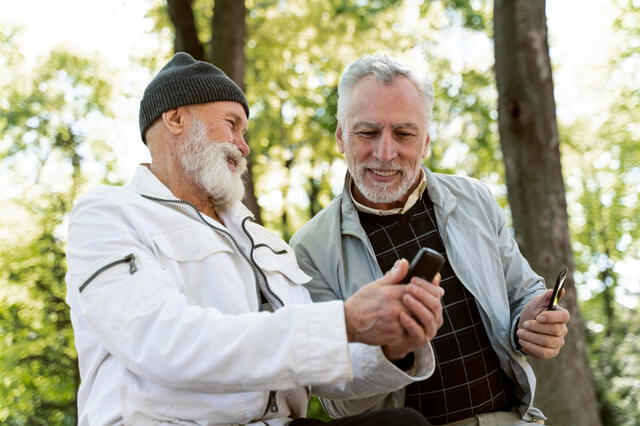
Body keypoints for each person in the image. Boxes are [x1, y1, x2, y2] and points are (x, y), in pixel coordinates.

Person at [64, 53, 445, 425]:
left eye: (243, 132)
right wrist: (344, 319)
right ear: (176, 118)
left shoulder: (264, 242)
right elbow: (160, 341)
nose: (243, 146)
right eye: (232, 124)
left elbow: (315, 364)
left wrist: (390, 346)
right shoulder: (108, 214)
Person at [290, 54, 571, 426]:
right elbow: (338, 403)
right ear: (341, 137)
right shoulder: (308, 249)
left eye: (404, 134)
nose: (385, 153)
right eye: (367, 132)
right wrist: (393, 351)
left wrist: (531, 323)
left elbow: (523, 293)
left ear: (425, 142)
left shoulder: (475, 199)